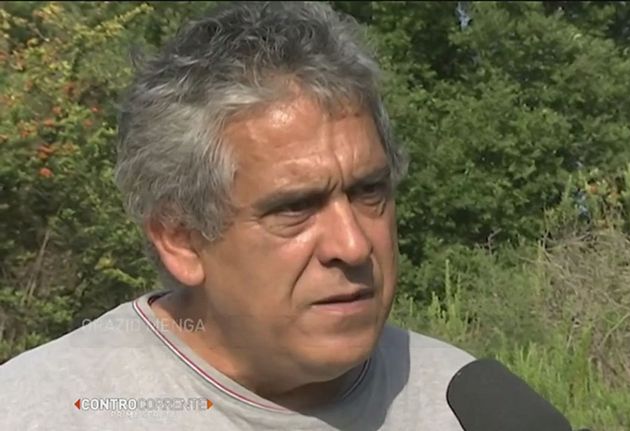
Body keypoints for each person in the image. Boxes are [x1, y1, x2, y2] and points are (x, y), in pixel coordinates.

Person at [0, 2, 475, 430]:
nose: (352, 245)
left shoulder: (468, 406)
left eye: (368, 191)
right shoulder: (41, 411)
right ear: (181, 239)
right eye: (295, 208)